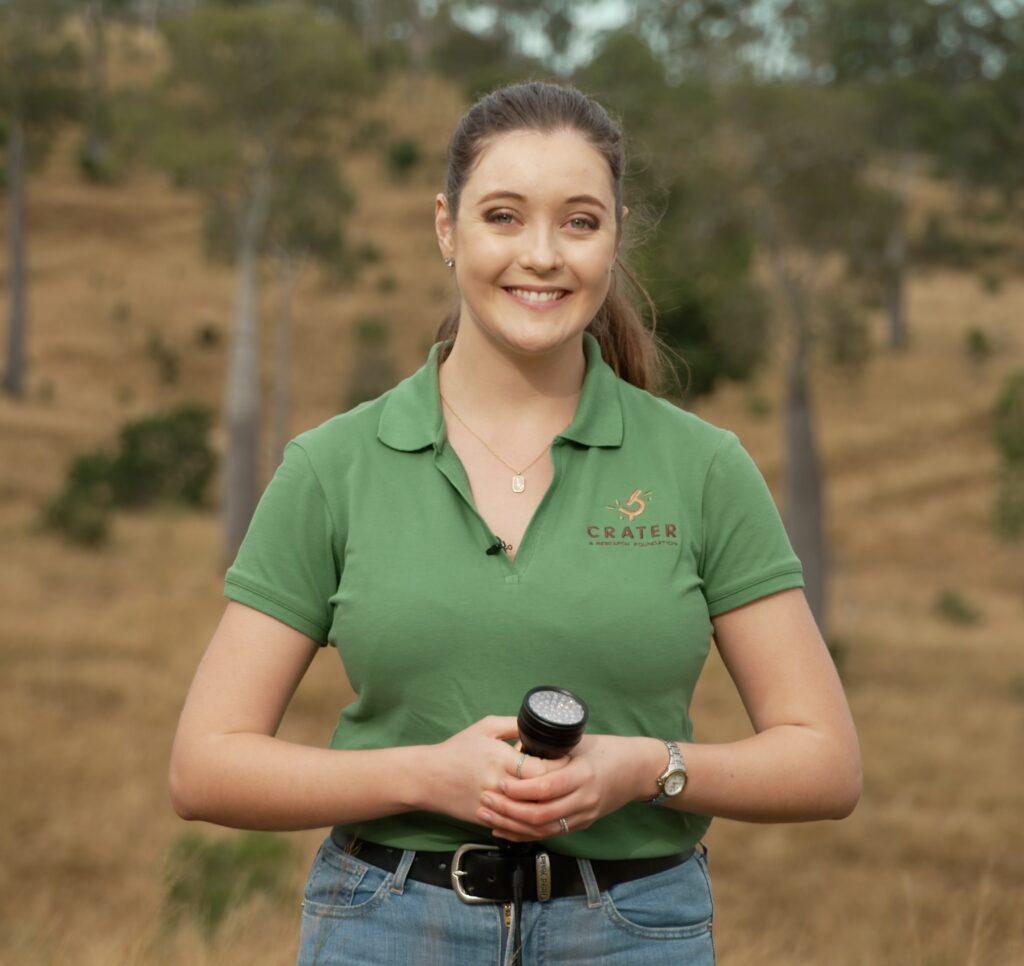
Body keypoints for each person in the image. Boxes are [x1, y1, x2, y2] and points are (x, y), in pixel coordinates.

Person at [169, 80, 861, 966]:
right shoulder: (331, 467)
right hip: (385, 926)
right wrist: (424, 774)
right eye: (504, 216)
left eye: (579, 222)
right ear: (447, 229)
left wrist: (645, 769)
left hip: (632, 932)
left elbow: (826, 762)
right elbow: (205, 765)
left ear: (615, 240)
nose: (542, 255)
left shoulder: (702, 468)